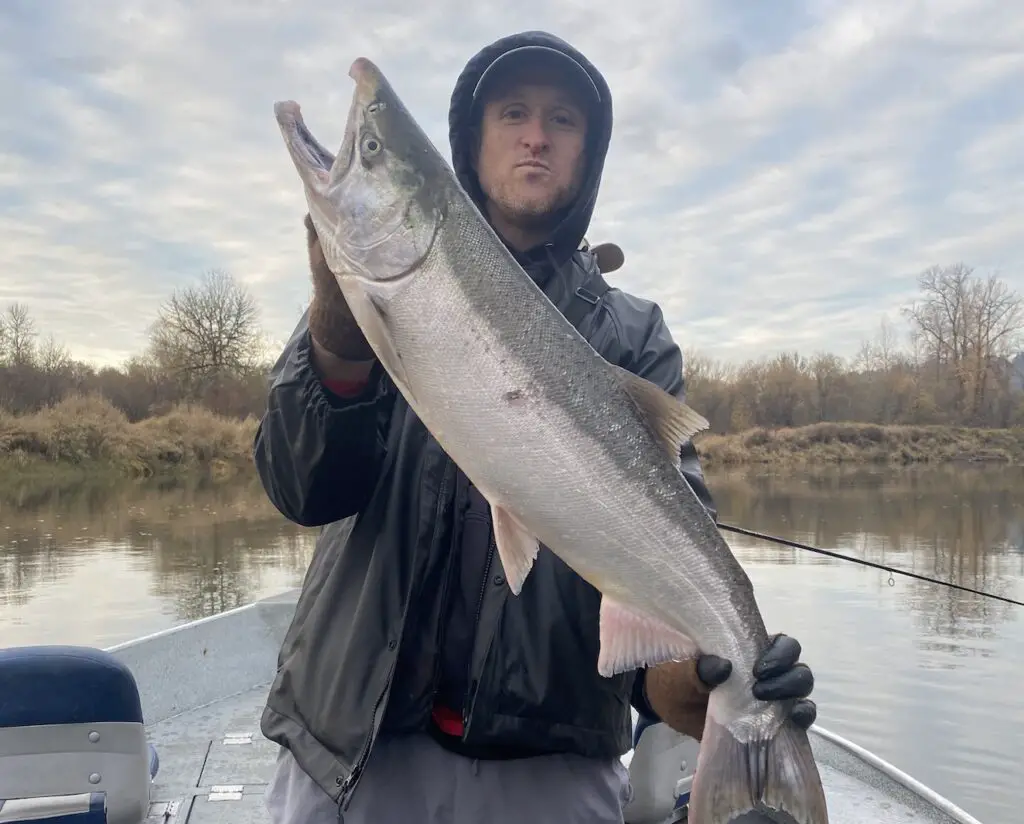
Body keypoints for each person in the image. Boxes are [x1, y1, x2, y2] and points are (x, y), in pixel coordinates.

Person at [255, 30, 817, 824]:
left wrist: (720, 683)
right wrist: (337, 336)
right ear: (469, 143)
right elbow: (301, 488)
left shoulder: (635, 336)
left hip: (551, 769)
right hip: (351, 746)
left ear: (589, 152)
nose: (535, 136)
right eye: (512, 112)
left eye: (563, 120)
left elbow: (655, 662)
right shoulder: (363, 294)